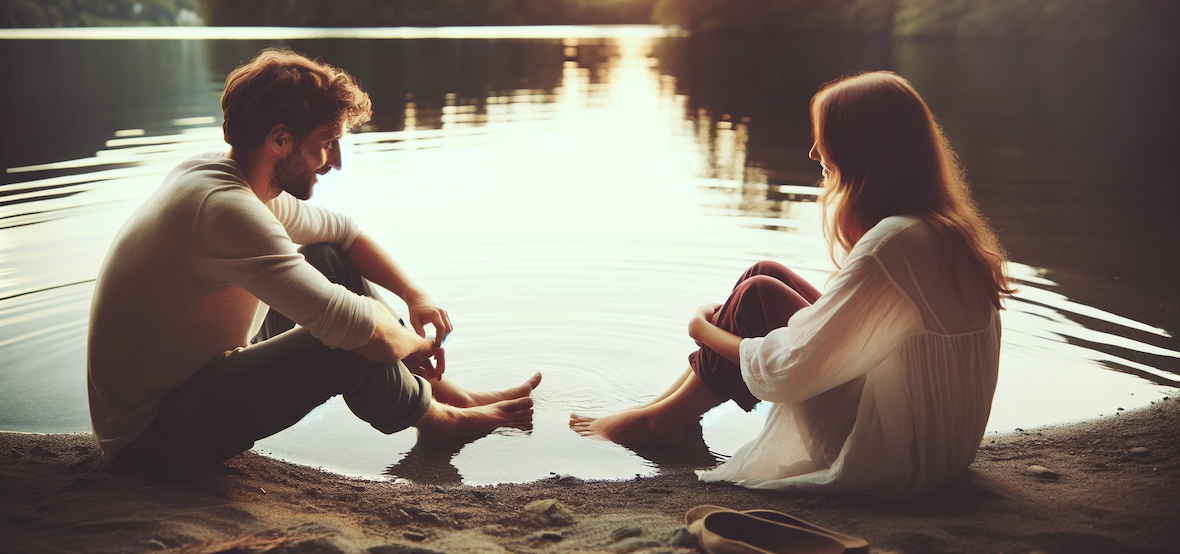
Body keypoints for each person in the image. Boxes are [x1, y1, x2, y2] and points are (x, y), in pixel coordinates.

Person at [87, 48, 539, 475]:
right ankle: (440, 420)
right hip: (150, 439)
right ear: (280, 140)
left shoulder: (230, 178)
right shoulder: (225, 209)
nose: (335, 162)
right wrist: (417, 344)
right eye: (327, 142)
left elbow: (343, 232)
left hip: (196, 378)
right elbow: (358, 328)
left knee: (327, 259)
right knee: (343, 336)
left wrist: (414, 295)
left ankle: (448, 395)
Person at [570, 71, 1011, 498]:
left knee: (758, 295)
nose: (816, 153)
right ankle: (661, 413)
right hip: (942, 445)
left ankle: (660, 422)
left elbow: (790, 369)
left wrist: (701, 329)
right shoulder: (940, 227)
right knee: (766, 274)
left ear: (861, 150)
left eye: (826, 139)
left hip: (900, 457)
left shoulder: (890, 243)